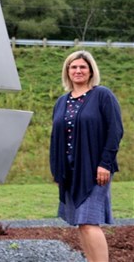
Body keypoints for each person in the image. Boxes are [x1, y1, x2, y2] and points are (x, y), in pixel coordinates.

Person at [50, 50, 122, 262]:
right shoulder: (62, 102)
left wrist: (105, 164)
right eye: (73, 67)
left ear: (91, 71)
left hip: (94, 170)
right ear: (67, 71)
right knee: (81, 224)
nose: (78, 71)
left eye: (82, 67)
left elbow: (115, 130)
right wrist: (57, 171)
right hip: (70, 172)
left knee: (89, 222)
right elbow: (56, 137)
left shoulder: (102, 95)